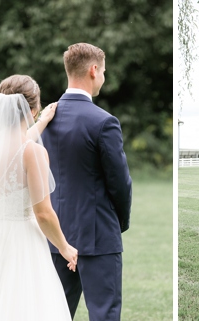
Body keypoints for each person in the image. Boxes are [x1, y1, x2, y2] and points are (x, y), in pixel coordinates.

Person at [0, 75, 78, 320]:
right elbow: (43, 213)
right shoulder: (33, 152)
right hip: (22, 242)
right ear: (32, 109)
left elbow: (17, 146)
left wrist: (42, 122)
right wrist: (65, 247)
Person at [41, 42, 132, 320]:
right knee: (104, 313)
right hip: (98, 236)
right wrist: (120, 224)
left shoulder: (45, 120)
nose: (103, 77)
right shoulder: (104, 122)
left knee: (56, 313)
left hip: (55, 236)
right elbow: (120, 183)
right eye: (103, 71)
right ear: (94, 70)